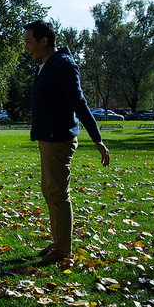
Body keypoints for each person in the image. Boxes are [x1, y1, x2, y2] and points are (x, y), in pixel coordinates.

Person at [24, 20, 110, 264]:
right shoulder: (44, 64)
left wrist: (97, 139)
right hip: (47, 138)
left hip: (58, 140)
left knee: (58, 193)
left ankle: (63, 251)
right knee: (50, 191)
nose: (27, 47)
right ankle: (59, 241)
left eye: (29, 42)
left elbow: (79, 103)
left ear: (44, 41)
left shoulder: (63, 65)